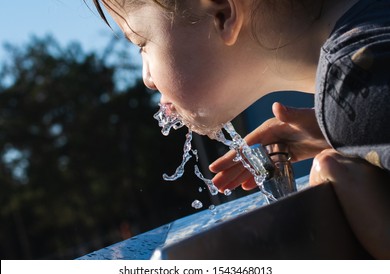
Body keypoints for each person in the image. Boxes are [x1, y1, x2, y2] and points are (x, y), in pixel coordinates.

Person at [89, 0, 390, 258]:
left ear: (222, 13)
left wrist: (363, 209)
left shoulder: (358, 86)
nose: (147, 78)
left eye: (141, 43)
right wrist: (346, 135)